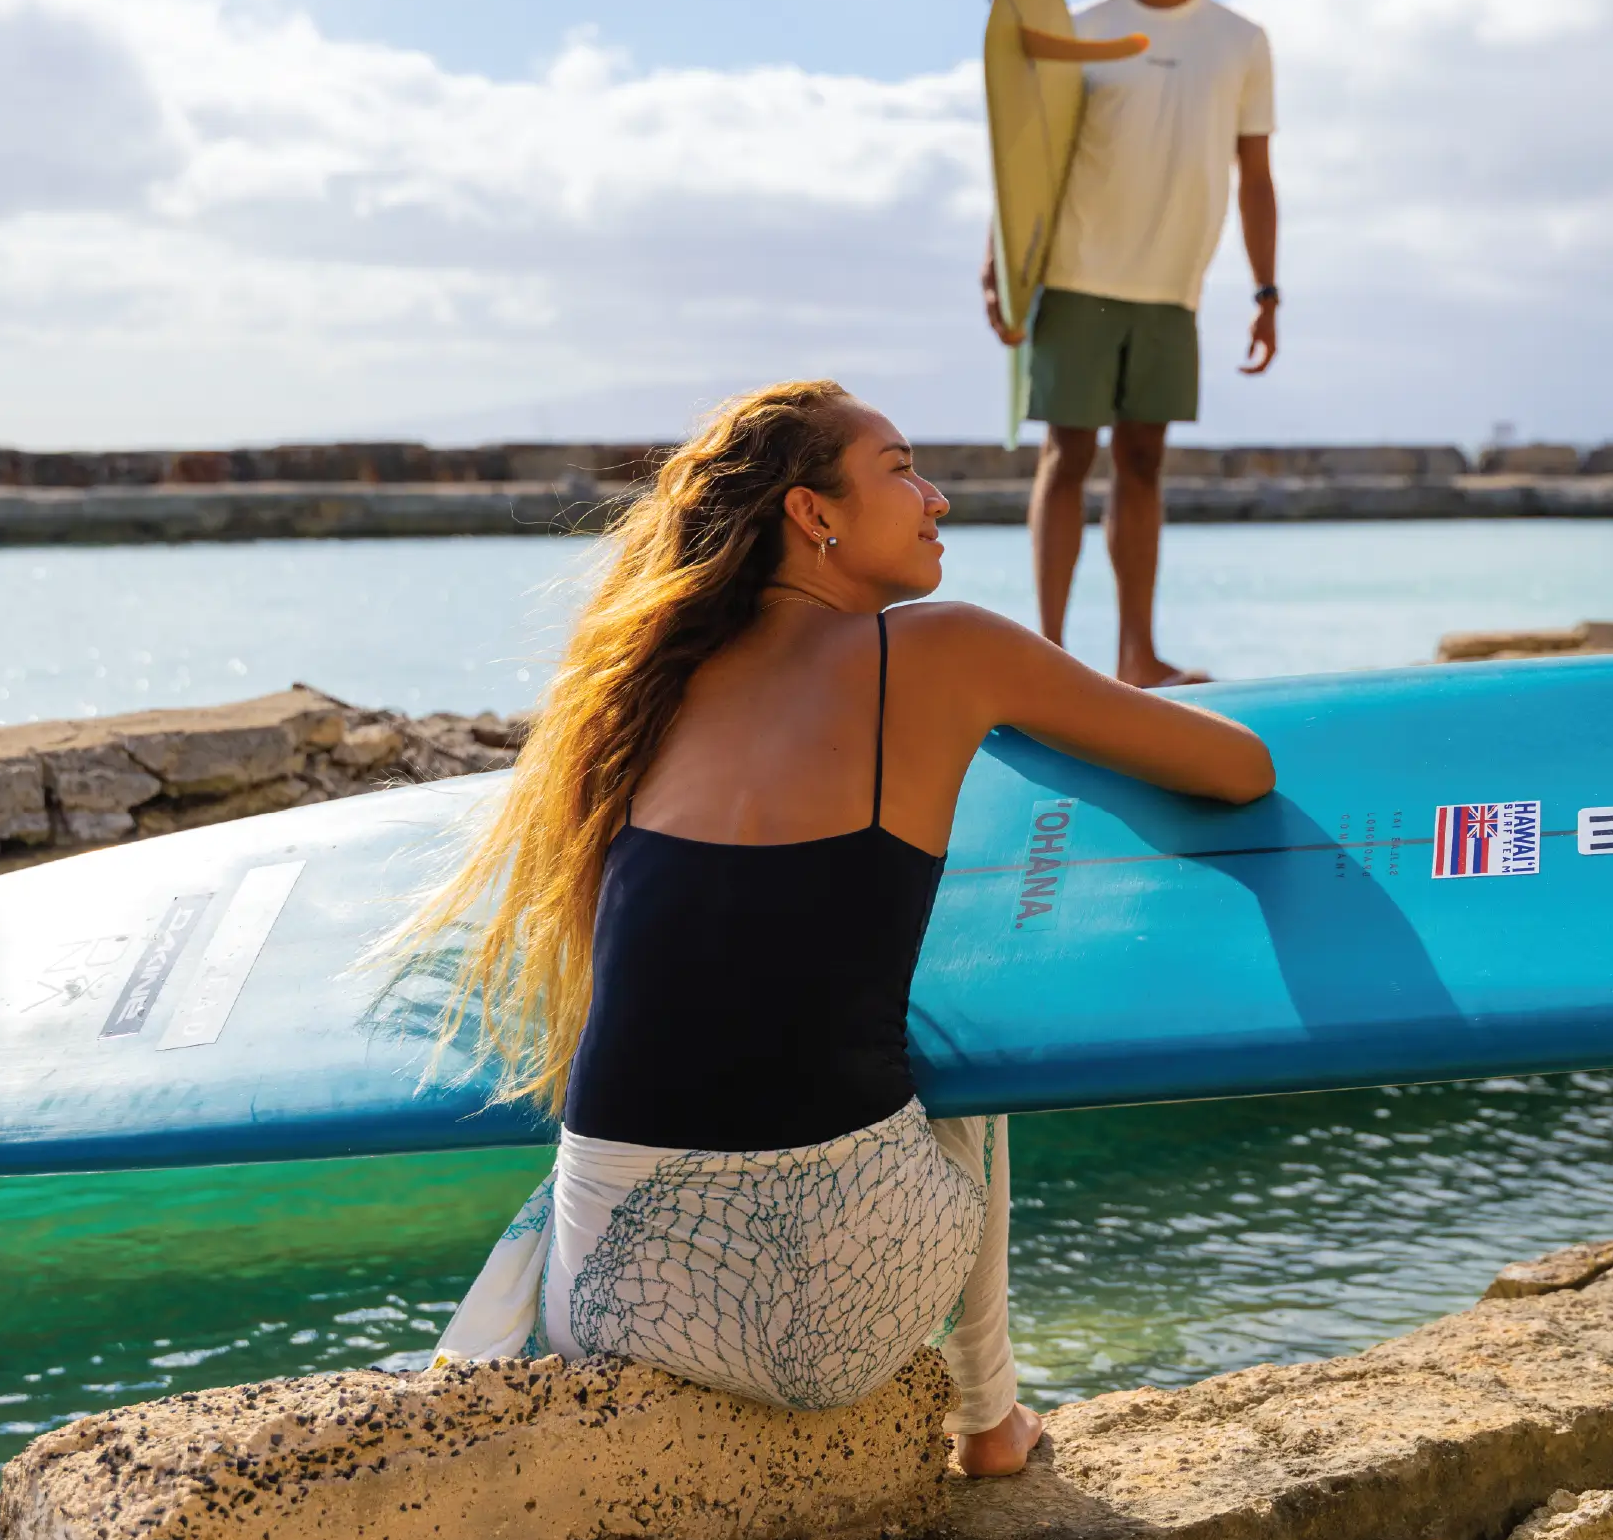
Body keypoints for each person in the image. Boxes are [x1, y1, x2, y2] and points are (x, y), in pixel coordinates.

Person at [414, 378, 1274, 1475]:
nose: (938, 498)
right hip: (824, 1327)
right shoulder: (943, 649)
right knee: (971, 1061)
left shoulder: (640, 691)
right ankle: (989, 1423)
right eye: (899, 469)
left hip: (614, 1313)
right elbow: (1238, 770)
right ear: (812, 514)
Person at [981, 0, 1277, 688]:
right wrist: (998, 261)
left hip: (1172, 284)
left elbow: (1254, 175)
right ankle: (1046, 655)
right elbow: (1025, 153)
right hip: (1077, 269)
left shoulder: (1239, 43)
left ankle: (1137, 658)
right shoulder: (1081, 27)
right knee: (1066, 454)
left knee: (1144, 463)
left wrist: (1265, 291)